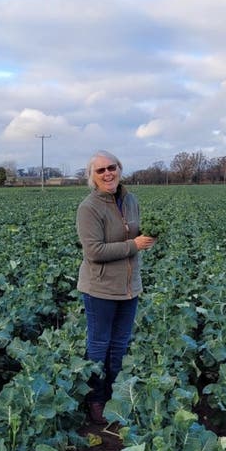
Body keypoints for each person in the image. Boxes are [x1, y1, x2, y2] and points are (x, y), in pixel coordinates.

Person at [76, 150, 155, 424]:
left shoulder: (130, 199)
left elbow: (133, 232)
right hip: (100, 287)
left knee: (120, 343)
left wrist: (147, 236)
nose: (107, 173)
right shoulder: (89, 208)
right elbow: (94, 251)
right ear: (92, 177)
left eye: (112, 167)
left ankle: (115, 394)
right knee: (99, 344)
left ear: (120, 169)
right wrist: (135, 245)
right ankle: (96, 399)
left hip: (130, 286)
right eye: (100, 170)